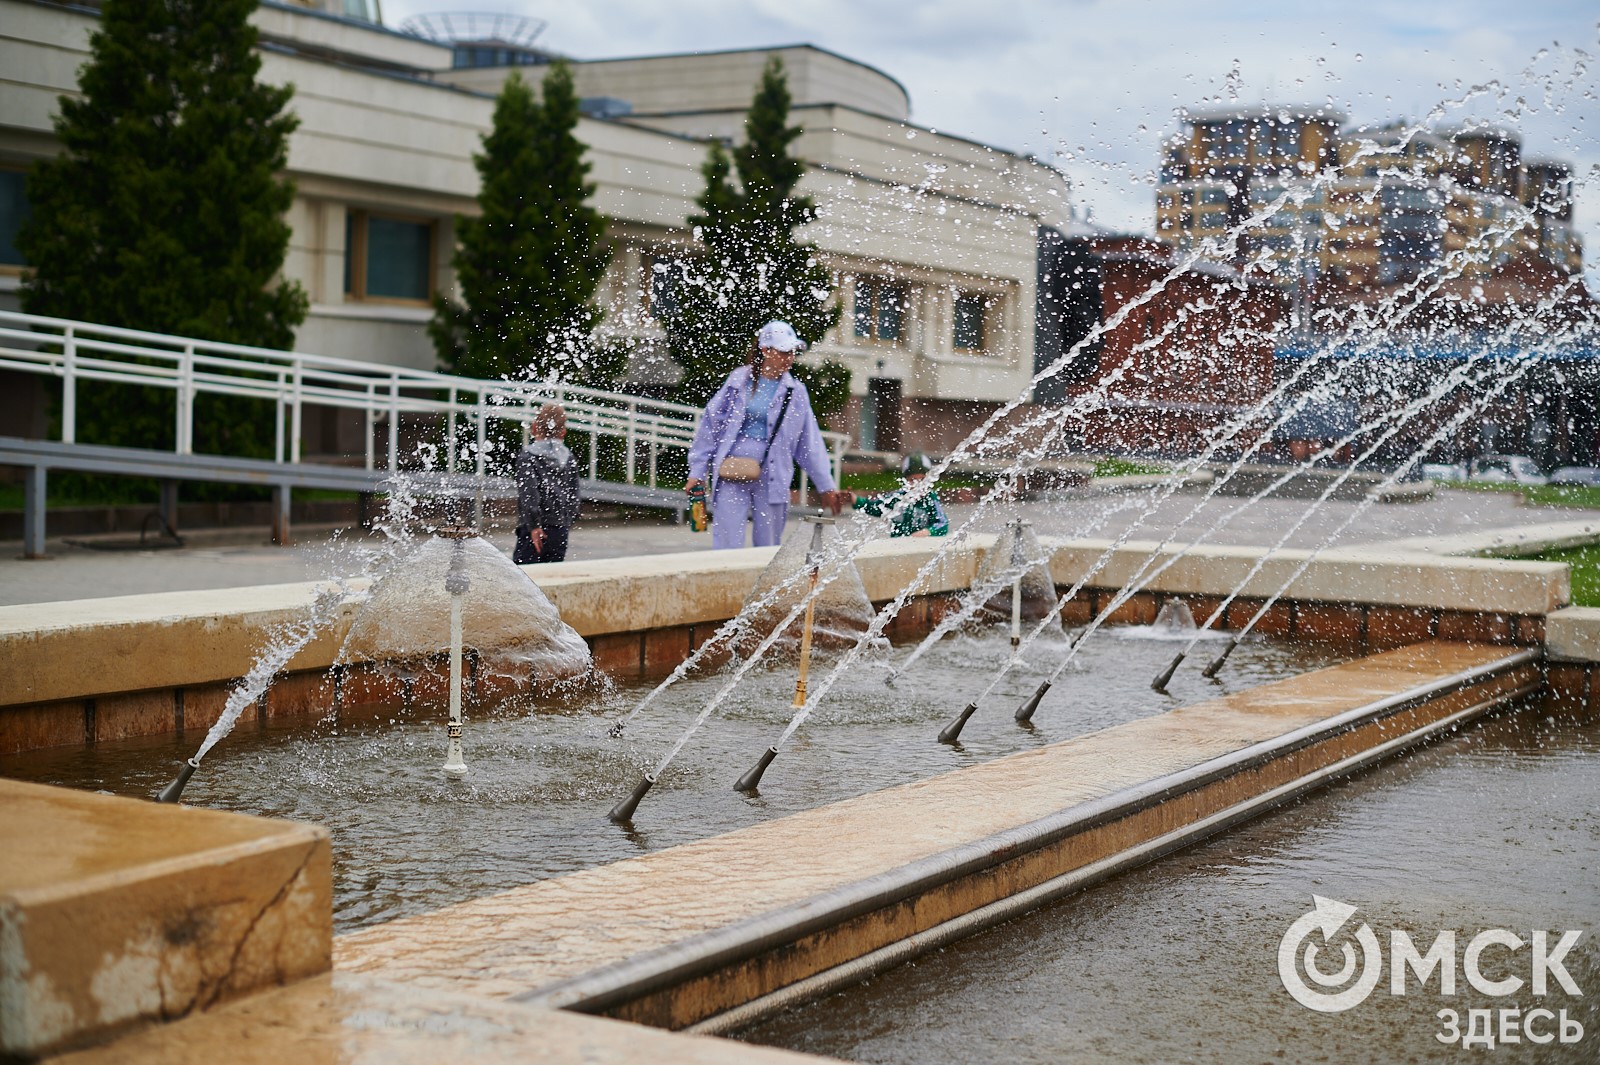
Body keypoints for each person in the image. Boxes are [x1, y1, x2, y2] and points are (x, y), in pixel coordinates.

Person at [685, 320, 848, 549]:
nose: (789, 357)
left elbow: (809, 443)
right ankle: (732, 584)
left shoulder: (796, 392)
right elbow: (710, 427)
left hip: (773, 476)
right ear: (765, 350)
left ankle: (761, 585)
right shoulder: (738, 381)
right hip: (731, 470)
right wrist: (697, 471)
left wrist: (826, 486)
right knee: (726, 544)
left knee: (768, 547)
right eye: (783, 352)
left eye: (792, 352)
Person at [514, 403, 580, 564]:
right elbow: (574, 496)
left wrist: (534, 525)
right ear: (563, 432)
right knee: (553, 576)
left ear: (534, 428)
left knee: (524, 579)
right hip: (559, 528)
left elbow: (530, 494)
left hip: (533, 530)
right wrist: (565, 523)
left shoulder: (527, 456)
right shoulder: (569, 458)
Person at [854, 452, 949, 537]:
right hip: (898, 546)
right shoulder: (898, 497)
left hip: (920, 547)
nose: (918, 484)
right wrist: (855, 500)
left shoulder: (930, 499)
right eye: (912, 480)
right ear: (905, 481)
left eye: (922, 479)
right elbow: (875, 506)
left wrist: (928, 532)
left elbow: (942, 523)